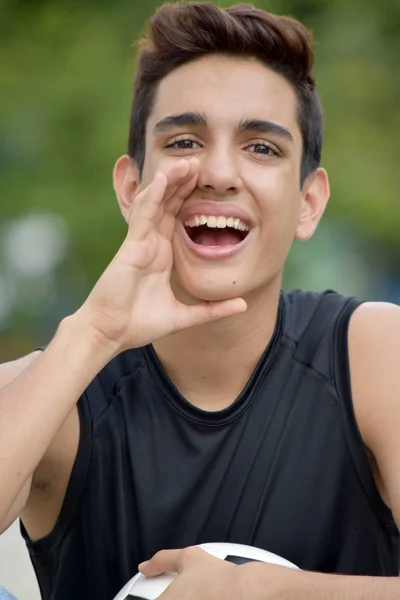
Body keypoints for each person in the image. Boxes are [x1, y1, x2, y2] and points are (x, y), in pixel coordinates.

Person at [0, 2, 399, 599]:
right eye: (185, 141)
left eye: (262, 148)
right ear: (133, 188)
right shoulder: (60, 390)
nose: (217, 171)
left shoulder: (371, 354)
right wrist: (95, 331)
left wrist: (265, 593)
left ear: (308, 203)